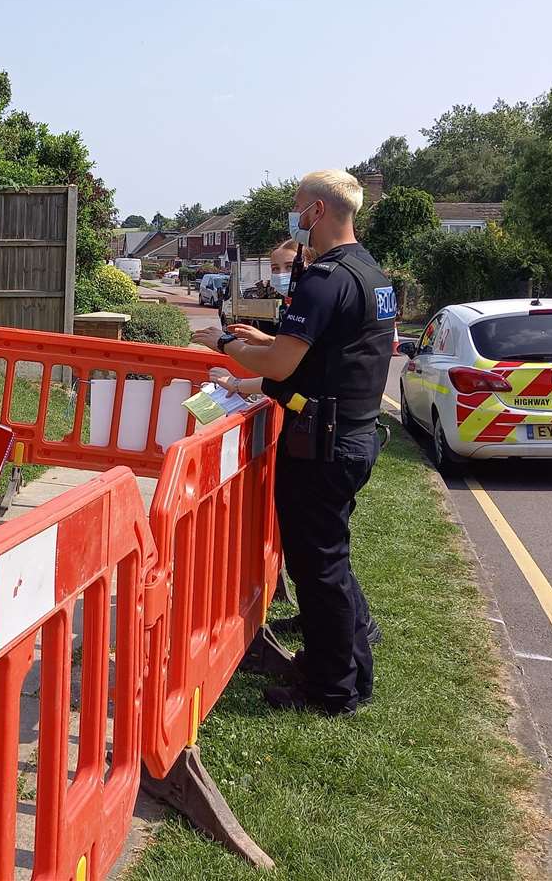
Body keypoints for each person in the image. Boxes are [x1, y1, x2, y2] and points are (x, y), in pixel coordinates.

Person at [195, 169, 393, 716]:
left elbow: (283, 364)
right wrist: (268, 342)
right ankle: (347, 670)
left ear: (319, 212)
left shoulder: (324, 277)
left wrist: (229, 343)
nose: (293, 216)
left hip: (322, 443)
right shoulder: (369, 271)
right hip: (351, 434)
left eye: (297, 207)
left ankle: (333, 689)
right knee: (329, 559)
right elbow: (322, 354)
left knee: (318, 566)